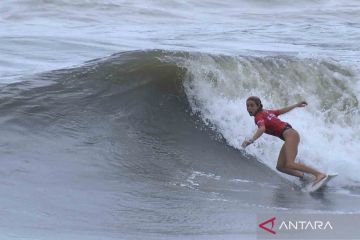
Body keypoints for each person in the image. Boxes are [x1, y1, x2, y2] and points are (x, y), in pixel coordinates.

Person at [241, 96, 326, 185]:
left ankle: (319, 174)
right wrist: (296, 105)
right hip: (290, 135)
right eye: (247, 106)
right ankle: (305, 177)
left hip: (290, 135)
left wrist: (250, 140)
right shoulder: (266, 112)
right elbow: (281, 111)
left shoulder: (258, 117)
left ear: (258, 106)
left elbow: (262, 128)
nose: (249, 108)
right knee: (280, 167)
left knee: (290, 164)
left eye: (252, 105)